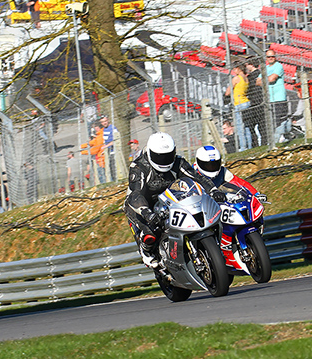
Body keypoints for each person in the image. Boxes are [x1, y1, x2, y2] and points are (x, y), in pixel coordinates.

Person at [122, 132, 225, 269]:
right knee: (151, 233)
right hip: (140, 204)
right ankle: (146, 250)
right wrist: (147, 213)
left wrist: (214, 190)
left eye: (168, 156)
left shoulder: (178, 162)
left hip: (169, 198)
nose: (164, 160)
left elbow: (197, 178)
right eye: (160, 157)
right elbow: (135, 195)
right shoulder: (139, 166)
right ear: (151, 153)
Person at [193, 145, 262, 196]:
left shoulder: (222, 172)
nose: (211, 167)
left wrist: (256, 194)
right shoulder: (191, 173)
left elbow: (240, 183)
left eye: (214, 164)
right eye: (207, 165)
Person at [258, 50, 290, 143]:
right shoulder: (265, 68)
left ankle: (281, 137)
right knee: (271, 121)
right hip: (269, 99)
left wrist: (263, 80)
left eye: (272, 56)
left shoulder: (278, 66)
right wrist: (266, 79)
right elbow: (257, 82)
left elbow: (272, 79)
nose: (270, 58)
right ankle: (275, 139)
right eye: (268, 57)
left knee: (279, 120)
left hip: (279, 98)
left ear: (275, 57)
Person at [225, 63, 252, 152]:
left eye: (234, 69)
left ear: (237, 68)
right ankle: (250, 146)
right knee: (247, 127)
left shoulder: (236, 78)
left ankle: (243, 147)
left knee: (240, 127)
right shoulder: (246, 78)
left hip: (239, 103)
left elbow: (228, 92)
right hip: (246, 102)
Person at [243, 58, 267, 147]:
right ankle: (263, 143)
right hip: (261, 101)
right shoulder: (261, 74)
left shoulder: (251, 77)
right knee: (262, 126)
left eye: (246, 65)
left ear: (250, 65)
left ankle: (255, 144)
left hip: (254, 102)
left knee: (251, 126)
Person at [100, 115, 118, 181]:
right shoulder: (104, 130)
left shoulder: (113, 128)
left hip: (114, 152)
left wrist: (106, 146)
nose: (104, 123)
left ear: (108, 120)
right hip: (108, 152)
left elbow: (116, 140)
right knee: (110, 169)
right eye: (102, 122)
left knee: (114, 168)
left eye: (105, 121)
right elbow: (105, 142)